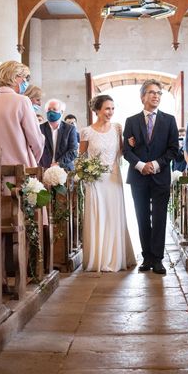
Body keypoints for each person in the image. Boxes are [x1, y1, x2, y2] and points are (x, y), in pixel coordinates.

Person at [123, 80, 179, 274]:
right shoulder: (131, 121)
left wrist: (155, 165)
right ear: (142, 97)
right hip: (138, 177)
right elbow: (126, 150)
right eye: (152, 93)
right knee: (142, 217)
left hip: (160, 175)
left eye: (159, 93)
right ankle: (146, 257)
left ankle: (158, 259)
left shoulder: (169, 120)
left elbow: (173, 150)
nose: (156, 96)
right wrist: (140, 165)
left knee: (160, 217)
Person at [80, 94, 136, 272]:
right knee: (97, 217)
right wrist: (87, 170)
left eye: (112, 108)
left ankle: (115, 258)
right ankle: (98, 258)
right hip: (94, 181)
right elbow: (81, 158)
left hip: (113, 178)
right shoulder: (86, 131)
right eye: (106, 108)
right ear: (97, 110)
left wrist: (131, 145)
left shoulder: (117, 128)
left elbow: (121, 152)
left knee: (113, 216)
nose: (110, 112)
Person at [0, 61, 44, 170]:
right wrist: (33, 160)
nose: (25, 81)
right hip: (19, 171)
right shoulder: (22, 101)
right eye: (24, 77)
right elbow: (36, 141)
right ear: (15, 77)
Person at [39, 98, 78, 171]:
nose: (51, 111)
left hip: (65, 169)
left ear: (61, 112)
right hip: (44, 169)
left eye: (54, 109)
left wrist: (58, 164)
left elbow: (73, 151)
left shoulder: (70, 129)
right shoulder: (40, 128)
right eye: (49, 109)